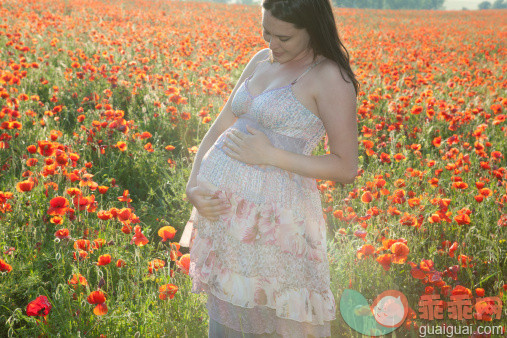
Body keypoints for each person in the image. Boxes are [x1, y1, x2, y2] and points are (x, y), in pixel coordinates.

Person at [180, 0, 359, 337]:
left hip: (275, 224)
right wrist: (193, 187)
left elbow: (347, 167)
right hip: (226, 218)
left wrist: (270, 155)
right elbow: (220, 126)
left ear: (312, 28)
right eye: (266, 32)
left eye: (284, 38)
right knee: (228, 316)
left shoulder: (330, 77)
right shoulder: (261, 60)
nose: (272, 45)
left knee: (270, 317)